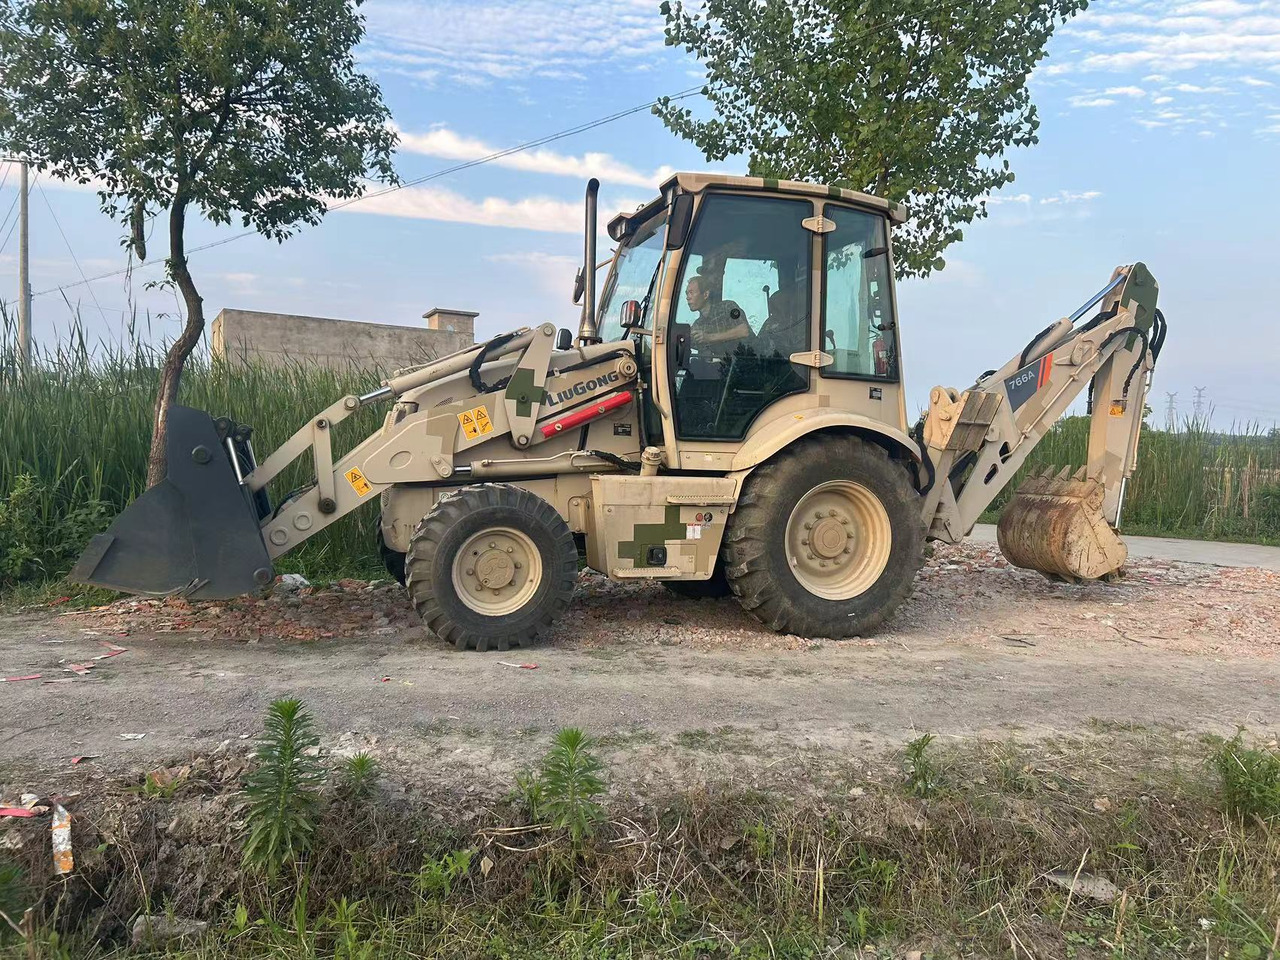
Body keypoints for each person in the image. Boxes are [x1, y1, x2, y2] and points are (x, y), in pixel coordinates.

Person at [684, 274, 752, 353]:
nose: (688, 297)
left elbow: (744, 331)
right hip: (725, 364)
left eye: (691, 292)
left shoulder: (728, 307)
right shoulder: (698, 325)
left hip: (752, 359)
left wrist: (708, 337)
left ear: (706, 294)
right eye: (687, 293)